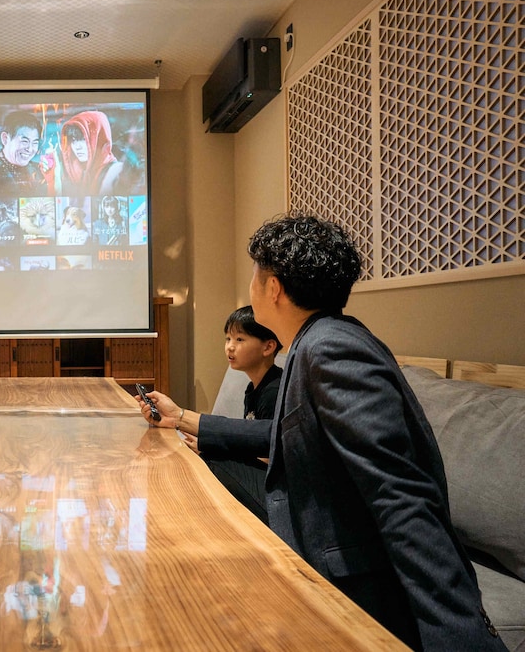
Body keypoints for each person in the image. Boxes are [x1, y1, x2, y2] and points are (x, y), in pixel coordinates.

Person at [136, 214, 503, 651]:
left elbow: (400, 495)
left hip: (350, 581)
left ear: (273, 288)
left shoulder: (332, 348)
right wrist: (185, 419)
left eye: (254, 276)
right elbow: (293, 436)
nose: (251, 288)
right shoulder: (318, 340)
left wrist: (458, 634)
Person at [206, 305, 282, 525]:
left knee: (213, 458)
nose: (230, 347)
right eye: (228, 339)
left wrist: (216, 445)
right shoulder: (254, 388)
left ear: (268, 347)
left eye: (240, 340)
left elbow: (269, 456)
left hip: (277, 488)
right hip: (263, 476)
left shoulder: (275, 391)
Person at [0, 111, 45, 195]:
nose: (30, 149)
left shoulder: (40, 171)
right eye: (24, 141)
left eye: (35, 143)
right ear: (5, 139)